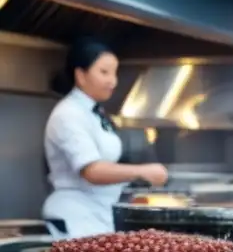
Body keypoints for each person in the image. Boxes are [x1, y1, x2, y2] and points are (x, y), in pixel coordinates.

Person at [43, 39, 168, 238]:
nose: (113, 81)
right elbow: (91, 170)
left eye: (114, 73)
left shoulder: (94, 112)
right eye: (104, 72)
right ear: (80, 75)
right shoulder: (68, 114)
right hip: (75, 216)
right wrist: (142, 171)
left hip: (99, 215)